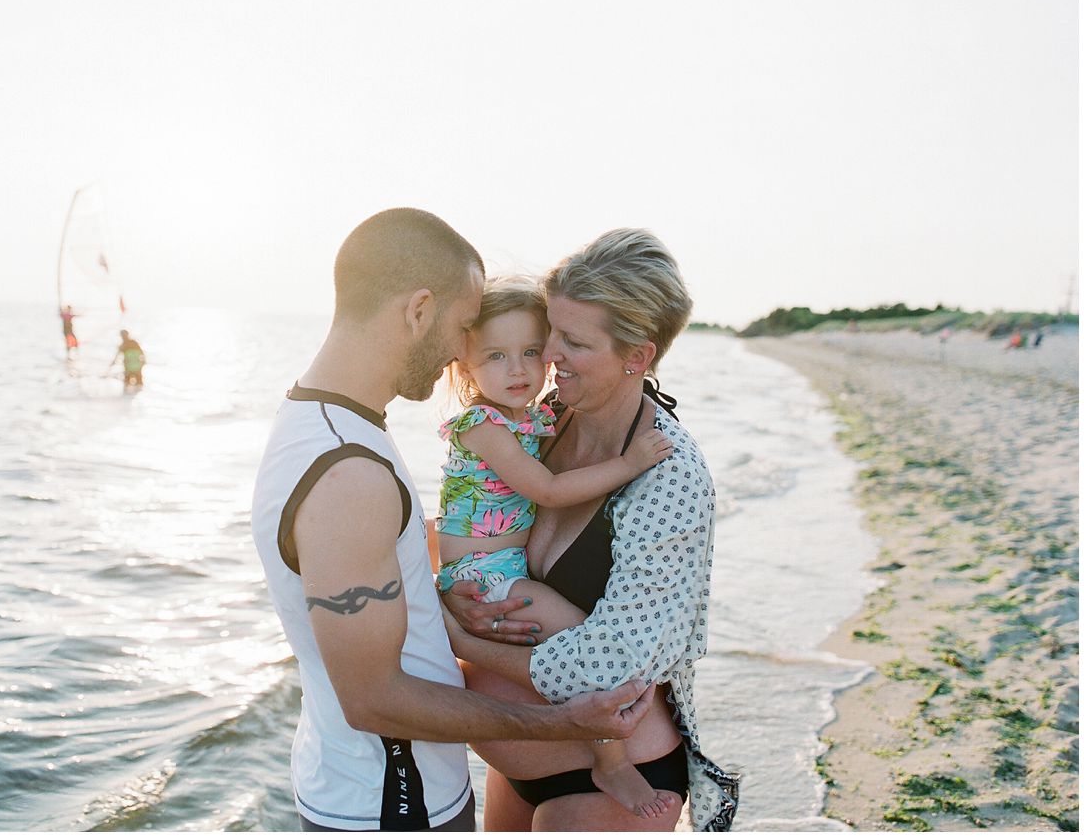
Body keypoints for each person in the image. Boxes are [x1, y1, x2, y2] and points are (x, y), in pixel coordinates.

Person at [249, 209, 656, 832]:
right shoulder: (346, 473)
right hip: (392, 805)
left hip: (382, 790)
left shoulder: (327, 426)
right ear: (418, 312)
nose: (456, 356)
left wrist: (442, 601)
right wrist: (564, 724)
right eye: (465, 325)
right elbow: (374, 699)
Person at [442, 228, 740, 832]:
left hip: (616, 775)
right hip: (525, 752)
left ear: (638, 356)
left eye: (573, 341)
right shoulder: (542, 423)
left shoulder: (669, 479)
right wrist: (454, 592)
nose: (548, 353)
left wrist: (460, 640)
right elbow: (471, 527)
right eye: (550, 328)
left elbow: (618, 662)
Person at [435, 274, 675, 818]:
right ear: (465, 365)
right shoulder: (483, 425)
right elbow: (545, 489)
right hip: (487, 572)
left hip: (501, 563)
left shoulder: (534, 417)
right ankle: (612, 763)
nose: (517, 369)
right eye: (496, 355)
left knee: (584, 645)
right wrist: (628, 465)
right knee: (587, 645)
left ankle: (608, 759)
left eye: (529, 351)